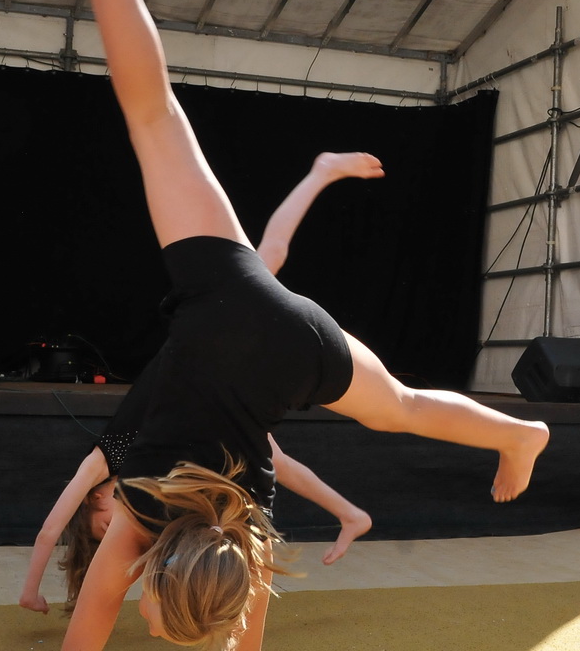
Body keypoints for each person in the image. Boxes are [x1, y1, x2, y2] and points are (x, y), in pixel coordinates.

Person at [15, 0, 549, 651]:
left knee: (406, 404)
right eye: (160, 621)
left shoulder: (245, 541)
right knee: (150, 117)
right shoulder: (136, 523)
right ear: (160, 578)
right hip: (230, 311)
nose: (147, 627)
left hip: (285, 343)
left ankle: (517, 432)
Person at [21, 152, 388, 611]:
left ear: (97, 497)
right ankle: (350, 514)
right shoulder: (148, 487)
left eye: (103, 524)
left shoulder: (102, 461)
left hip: (202, 361)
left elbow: (49, 530)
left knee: (268, 258)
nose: (116, 528)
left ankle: (319, 173)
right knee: (275, 458)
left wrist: (30, 589)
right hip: (213, 400)